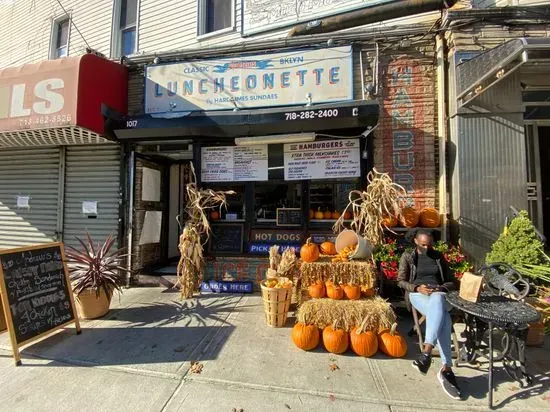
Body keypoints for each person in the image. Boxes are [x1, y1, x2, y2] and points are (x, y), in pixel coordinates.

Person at [397, 229, 462, 400]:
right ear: (416, 242)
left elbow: (451, 281)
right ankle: (446, 369)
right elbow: (401, 281)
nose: (427, 247)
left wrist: (441, 288)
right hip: (418, 295)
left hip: (438, 295)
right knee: (444, 318)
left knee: (438, 301)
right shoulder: (408, 257)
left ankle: (426, 354)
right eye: (423, 244)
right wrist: (417, 288)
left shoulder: (438, 257)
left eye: (430, 244)